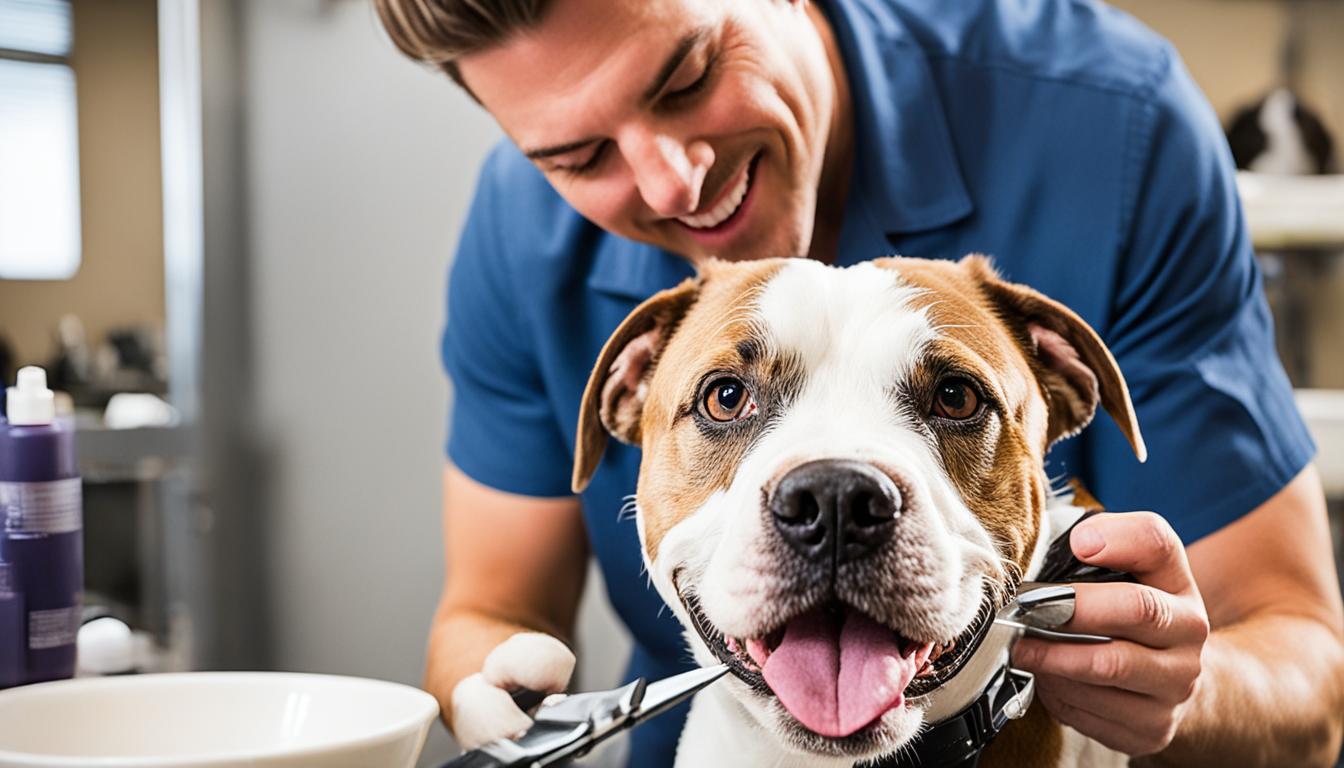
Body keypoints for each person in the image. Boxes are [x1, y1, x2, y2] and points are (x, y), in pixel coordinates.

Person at [372, 0, 1344, 765]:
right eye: (580, 157)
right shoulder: (519, 226)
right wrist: (491, 694)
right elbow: (491, 611)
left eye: (688, 76)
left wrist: (1183, 689)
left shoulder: (1114, 125)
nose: (673, 183)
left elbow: (1311, 688)